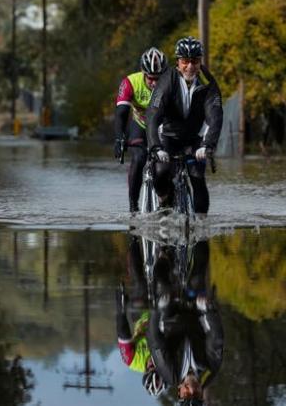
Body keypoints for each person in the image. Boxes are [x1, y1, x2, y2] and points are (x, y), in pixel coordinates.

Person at [147, 36, 223, 214]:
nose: (190, 66)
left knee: (197, 177)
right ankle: (165, 199)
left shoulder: (208, 82)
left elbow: (215, 116)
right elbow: (152, 115)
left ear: (200, 61)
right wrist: (156, 147)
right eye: (185, 61)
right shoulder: (167, 80)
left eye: (195, 61)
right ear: (178, 62)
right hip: (168, 136)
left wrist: (208, 144)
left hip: (194, 138)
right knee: (162, 171)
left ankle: (201, 231)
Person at [146, 241, 224, 405]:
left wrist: (157, 310)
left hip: (170, 318)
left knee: (162, 284)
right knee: (198, 273)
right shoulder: (209, 370)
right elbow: (216, 338)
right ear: (202, 394)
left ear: (180, 391)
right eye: (196, 394)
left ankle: (164, 253)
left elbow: (155, 342)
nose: (192, 389)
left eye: (187, 393)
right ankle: (201, 227)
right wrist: (208, 309)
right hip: (194, 312)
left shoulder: (169, 372)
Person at [115, 47, 168, 213]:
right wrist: (119, 138)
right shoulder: (130, 82)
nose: (154, 83)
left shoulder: (171, 82)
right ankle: (133, 206)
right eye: (151, 78)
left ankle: (167, 198)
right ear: (143, 73)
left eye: (158, 79)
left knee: (167, 163)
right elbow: (121, 113)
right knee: (139, 158)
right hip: (141, 124)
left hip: (163, 126)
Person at [116, 279, 166, 397]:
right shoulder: (166, 361)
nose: (152, 363)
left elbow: (123, 334)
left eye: (150, 367)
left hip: (141, 314)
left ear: (145, 371)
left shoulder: (132, 361)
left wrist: (121, 311)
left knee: (140, 283)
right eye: (156, 367)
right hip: (161, 316)